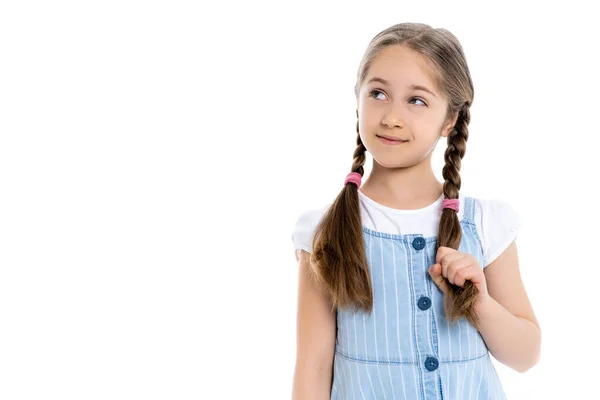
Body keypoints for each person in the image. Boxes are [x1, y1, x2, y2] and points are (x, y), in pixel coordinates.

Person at [290, 22, 541, 399]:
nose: (391, 116)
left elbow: (526, 355)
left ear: (450, 120)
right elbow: (313, 366)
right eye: (377, 93)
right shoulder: (325, 232)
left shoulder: (485, 224)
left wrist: (480, 304)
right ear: (356, 98)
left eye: (417, 100)